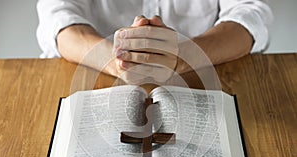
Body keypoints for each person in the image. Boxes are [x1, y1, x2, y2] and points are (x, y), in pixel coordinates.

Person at [36, 0, 273, 80]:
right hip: (97, 76)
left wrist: (184, 55)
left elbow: (250, 15)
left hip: (204, 77)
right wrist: (117, 60)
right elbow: (57, 19)